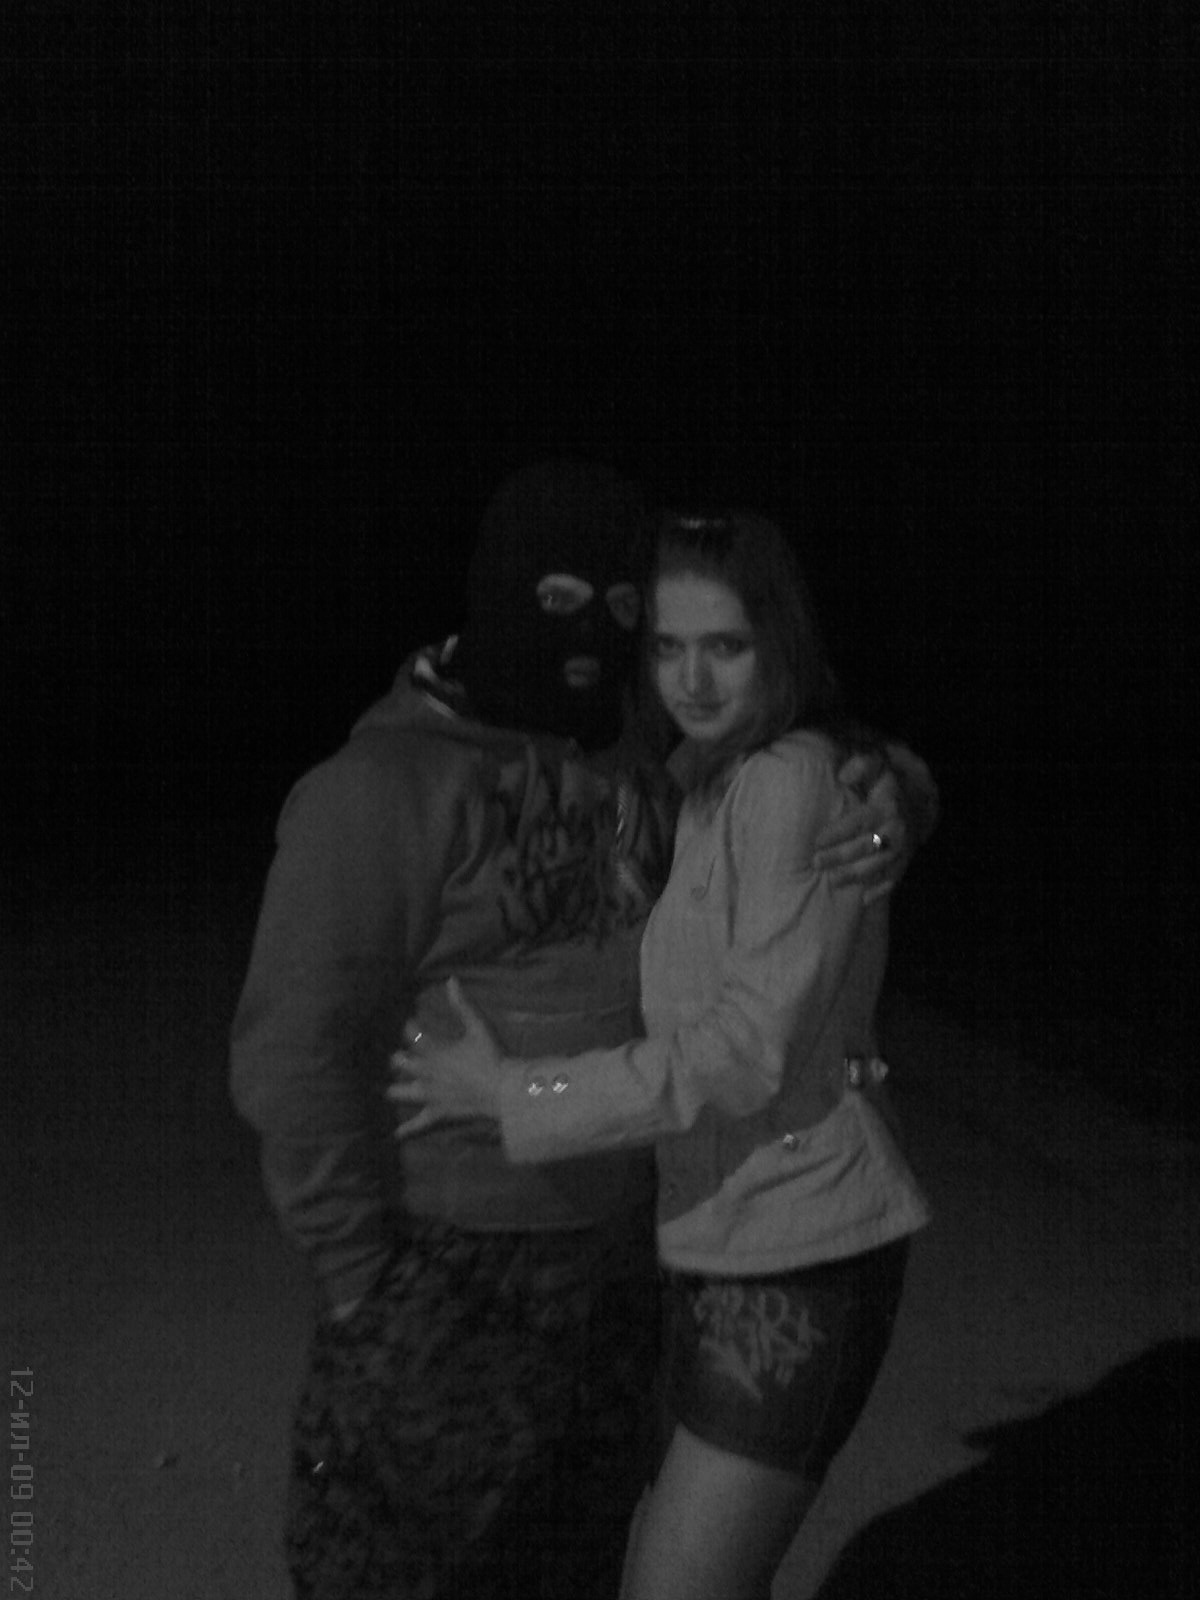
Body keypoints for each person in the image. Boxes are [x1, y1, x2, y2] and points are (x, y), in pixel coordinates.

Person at [230, 463, 931, 1600]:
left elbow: (794, 780)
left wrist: (896, 785)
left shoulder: (641, 764)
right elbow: (293, 1054)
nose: (600, 645)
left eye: (620, 616)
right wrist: (358, 1275)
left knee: (579, 1556)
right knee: (394, 1566)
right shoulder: (382, 790)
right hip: (454, 1264)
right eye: (560, 603)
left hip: (638, 1255)